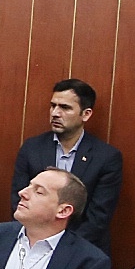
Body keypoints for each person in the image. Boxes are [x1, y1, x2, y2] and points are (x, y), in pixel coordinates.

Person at [11, 79, 122, 251]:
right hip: (33, 244)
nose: (55, 113)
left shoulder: (106, 157)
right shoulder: (32, 148)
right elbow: (19, 201)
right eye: (53, 106)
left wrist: (61, 248)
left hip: (83, 248)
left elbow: (98, 217)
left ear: (86, 114)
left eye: (65, 107)